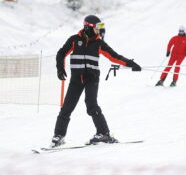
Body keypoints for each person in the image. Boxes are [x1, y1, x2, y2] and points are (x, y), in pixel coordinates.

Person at [51, 15, 142, 147]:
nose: (100, 31)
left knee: (91, 105)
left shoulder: (98, 43)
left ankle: (104, 133)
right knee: (67, 108)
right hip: (76, 79)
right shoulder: (74, 40)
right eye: (97, 28)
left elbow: (114, 56)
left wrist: (130, 64)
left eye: (101, 28)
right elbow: (61, 53)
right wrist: (60, 69)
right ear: (88, 27)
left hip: (92, 79)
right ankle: (58, 136)